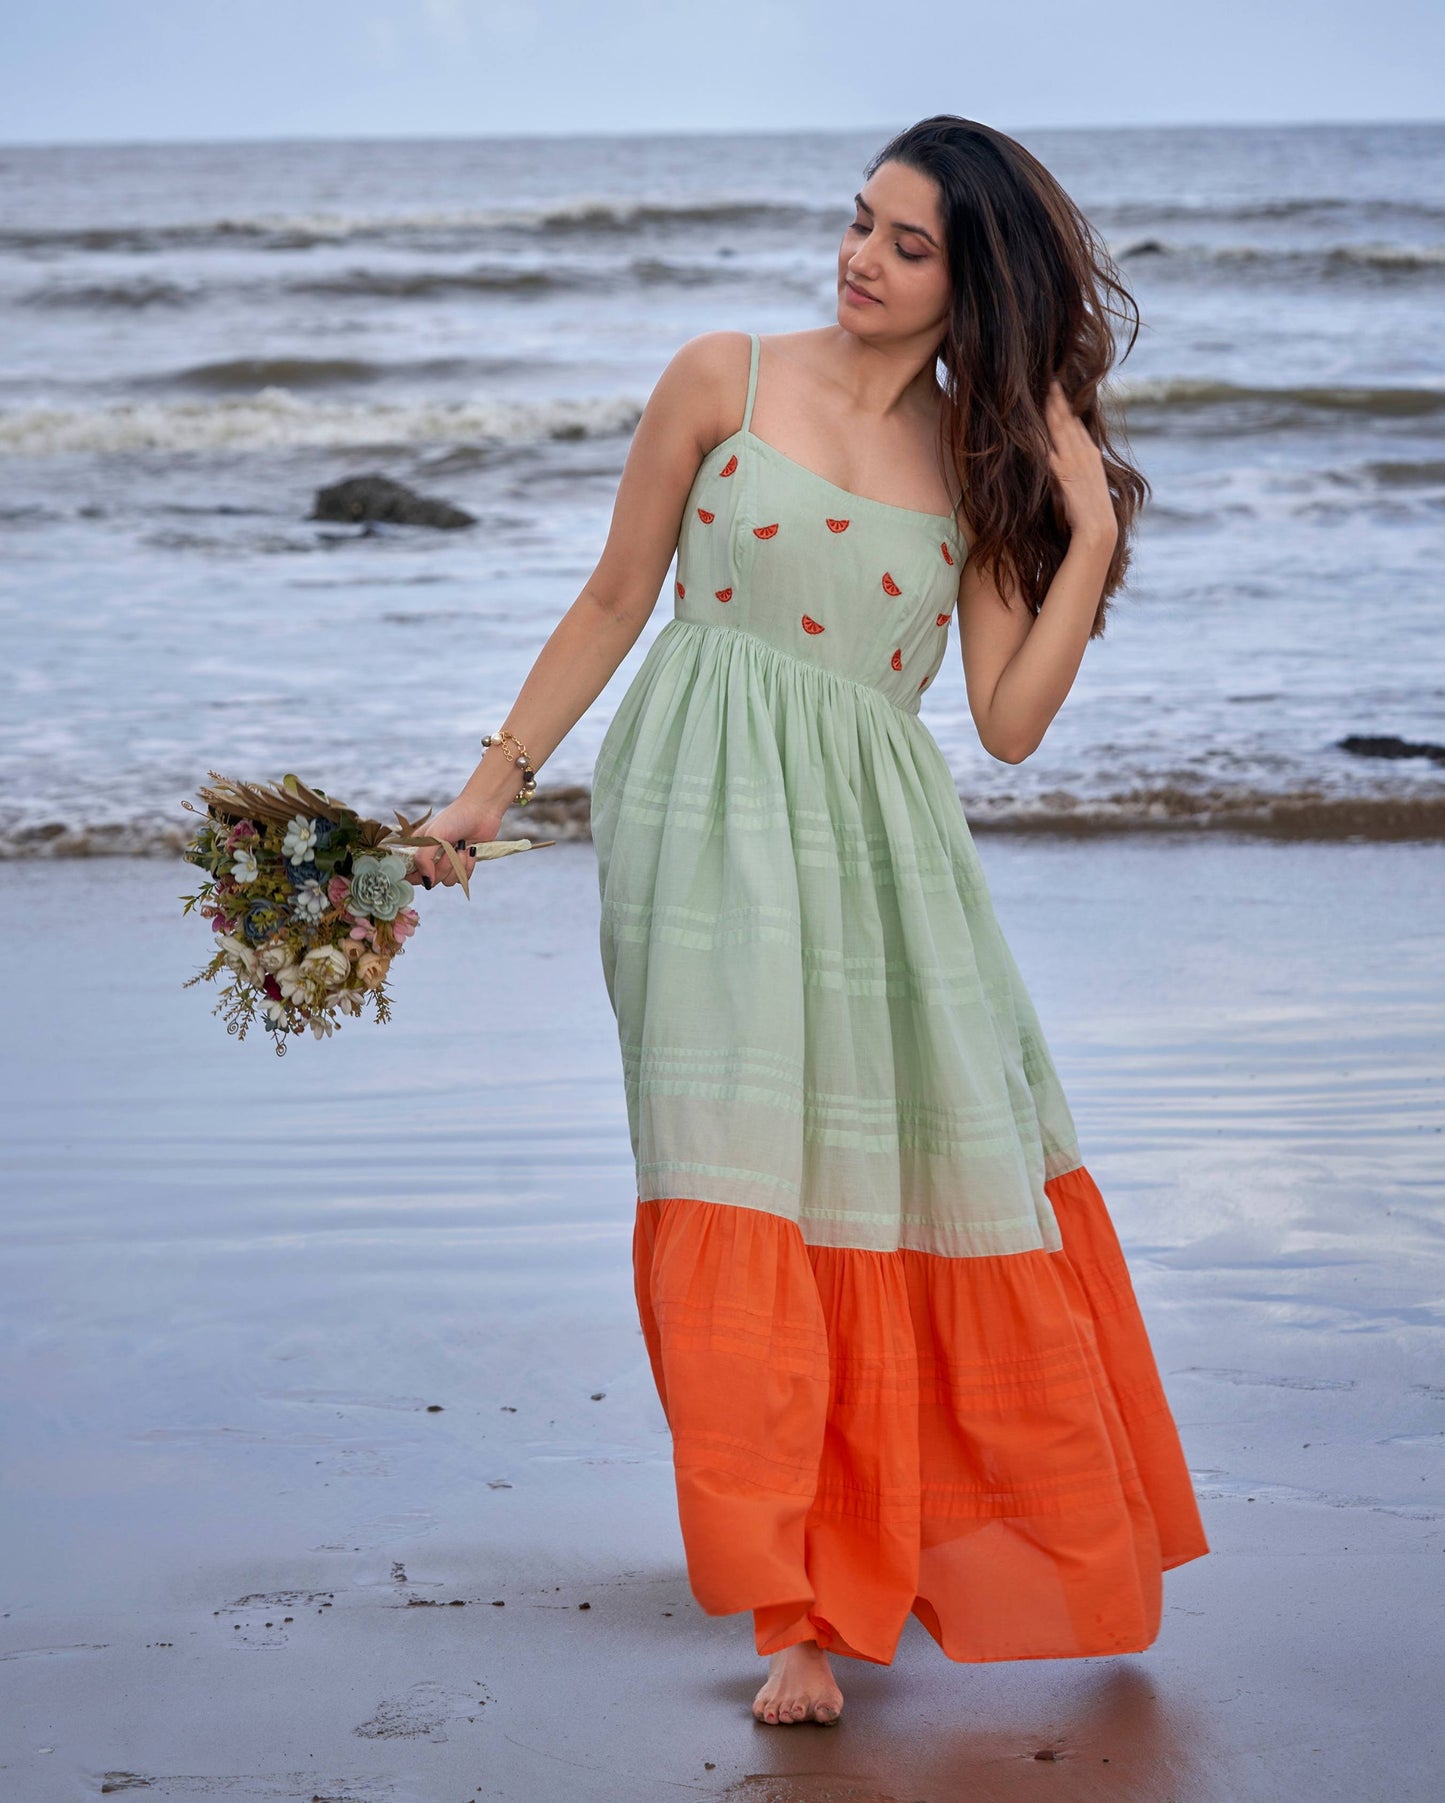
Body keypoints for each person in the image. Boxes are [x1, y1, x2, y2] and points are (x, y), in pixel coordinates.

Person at [412, 114, 1209, 1729]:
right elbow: (613, 598)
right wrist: (487, 790)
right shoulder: (722, 377)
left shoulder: (976, 463)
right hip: (692, 826)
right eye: (858, 223)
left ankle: (836, 1597)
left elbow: (1007, 724)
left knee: (875, 1193)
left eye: (907, 246)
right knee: (729, 1185)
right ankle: (794, 1593)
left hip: (879, 855)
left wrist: (1091, 537)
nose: (859, 260)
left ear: (971, 281)